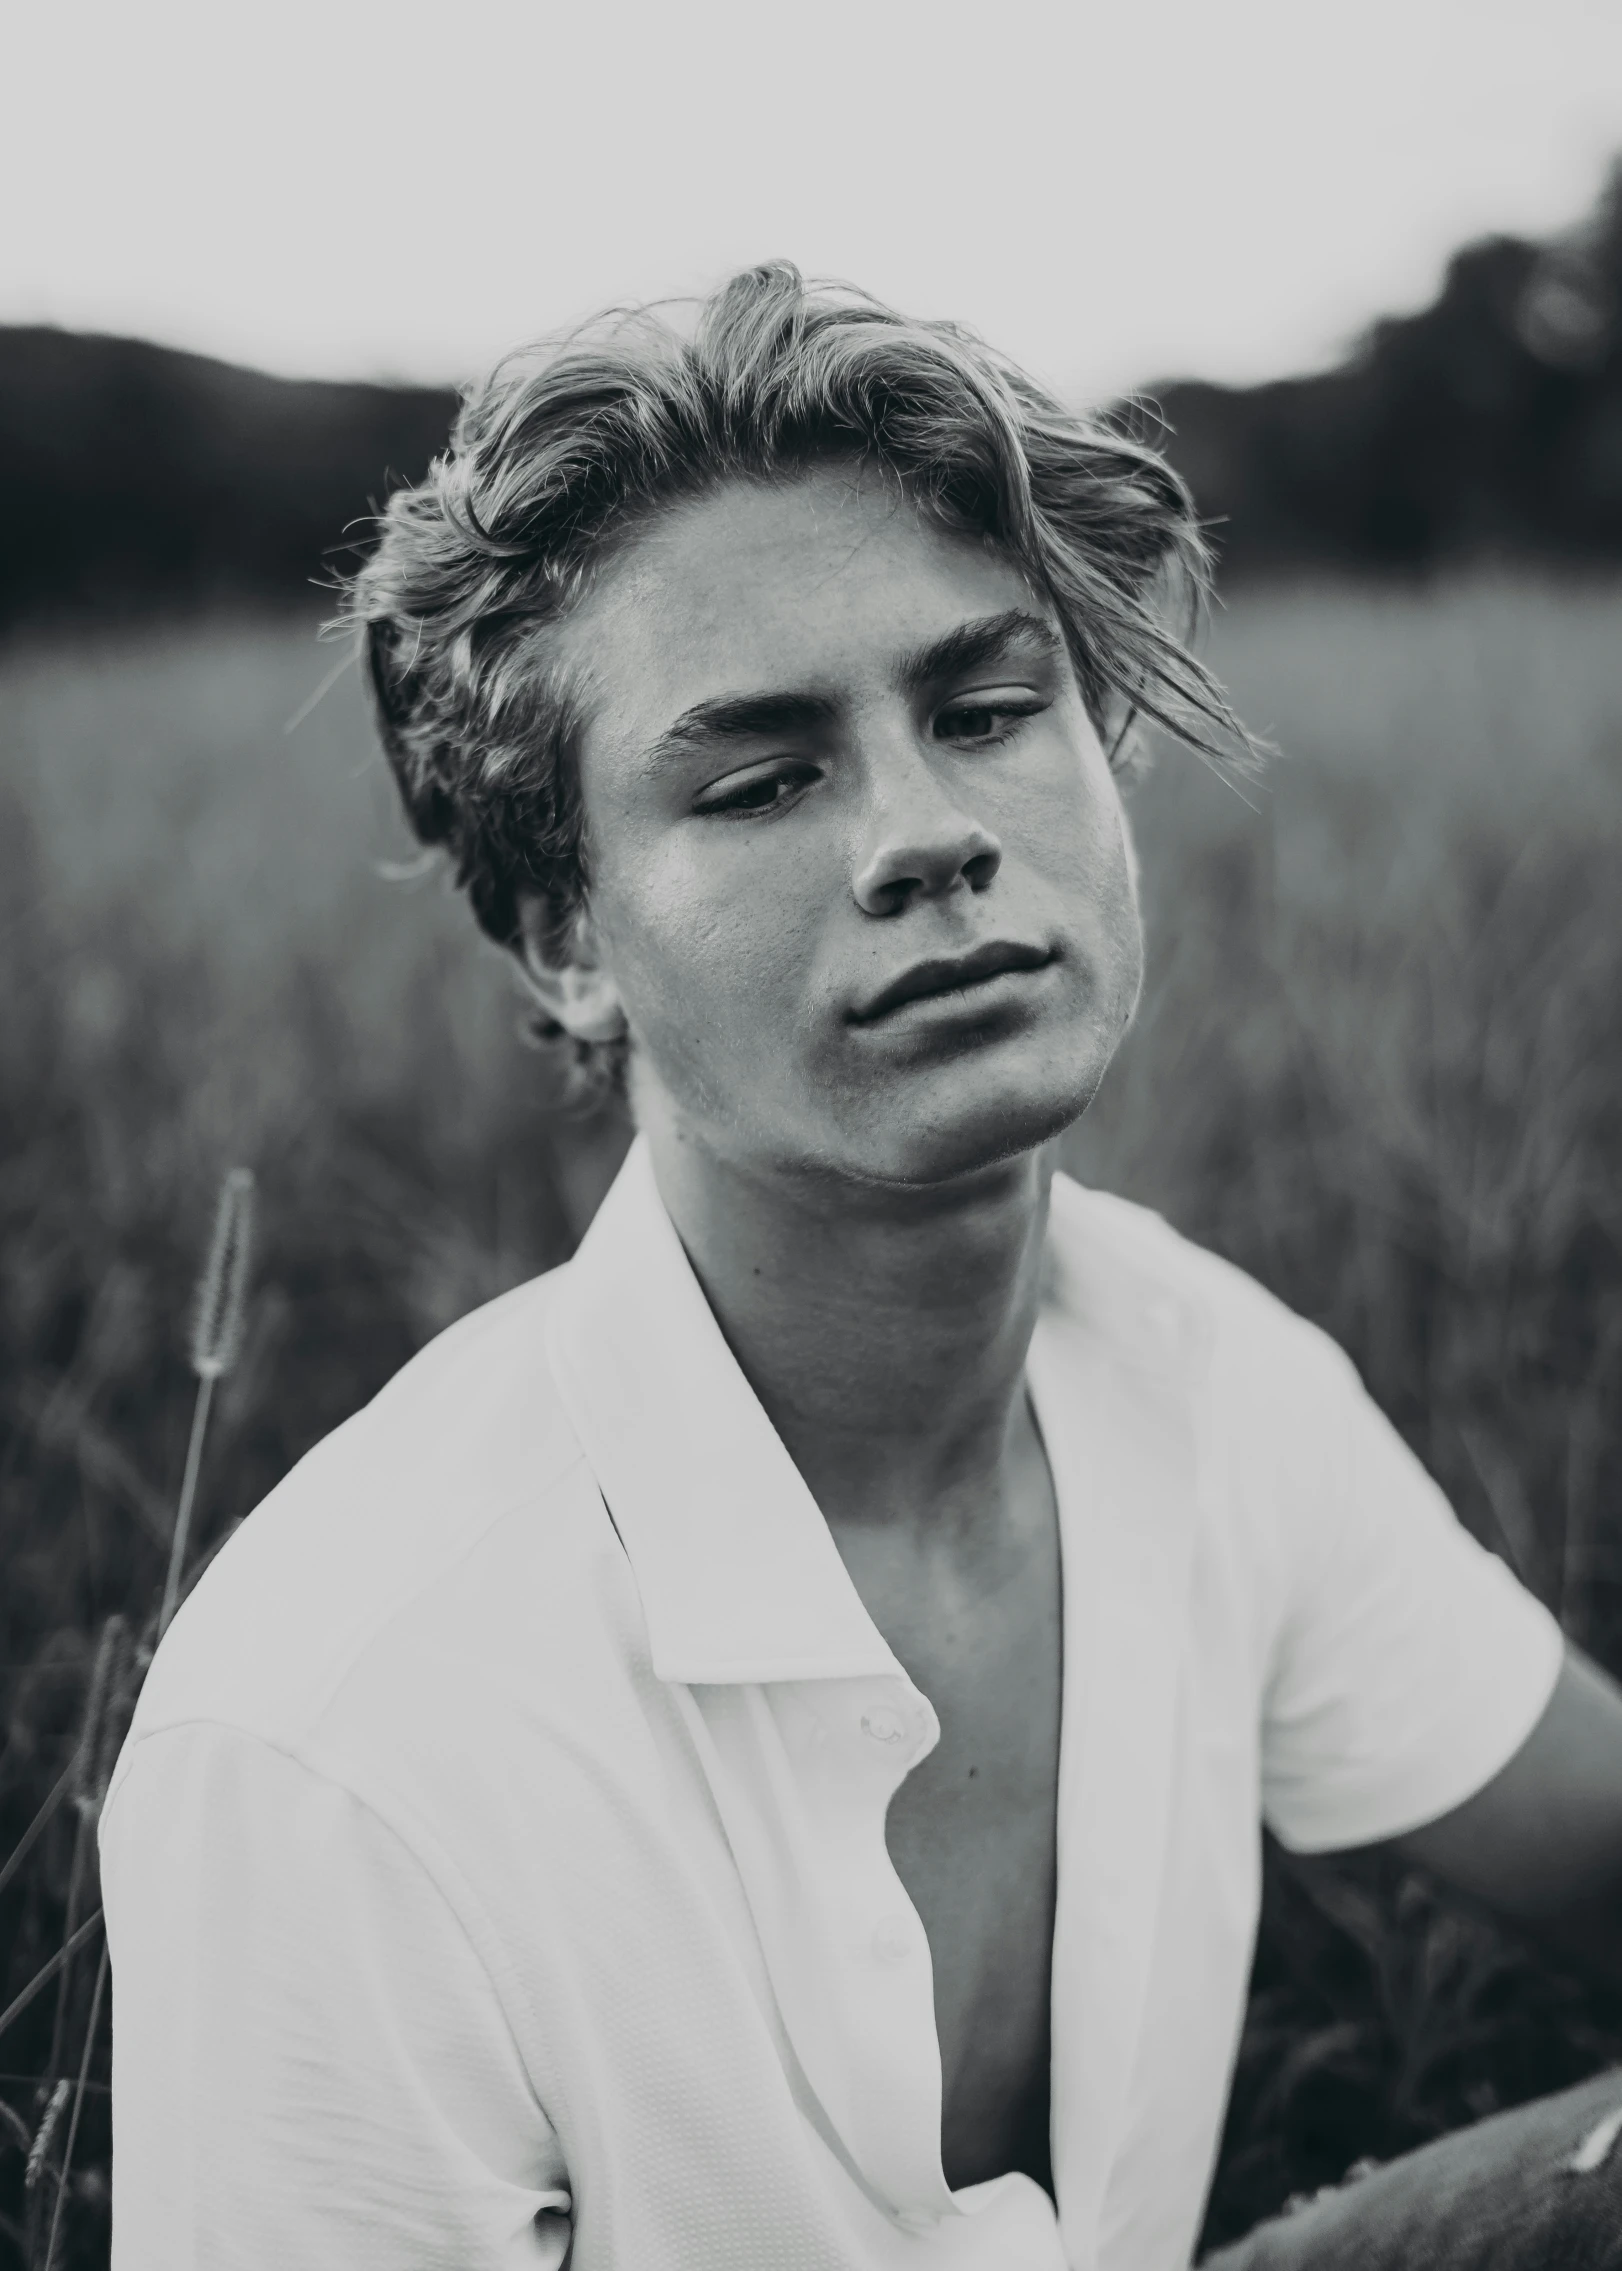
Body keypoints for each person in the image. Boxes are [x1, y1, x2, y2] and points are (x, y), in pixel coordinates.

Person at [101, 263, 1622, 2271]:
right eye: (760, 779)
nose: (927, 832)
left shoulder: (1196, 1373)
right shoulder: (340, 1735)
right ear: (566, 932)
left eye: (987, 711)